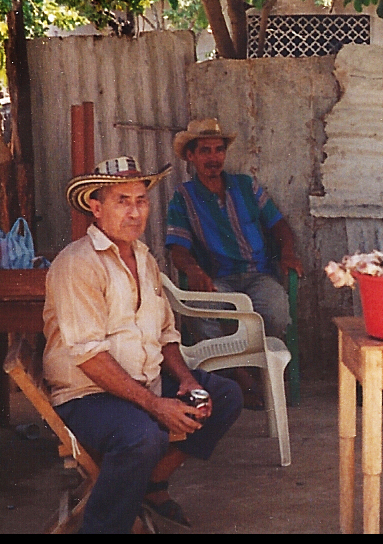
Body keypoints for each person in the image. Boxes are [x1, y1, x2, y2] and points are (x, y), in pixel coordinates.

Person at [44, 156, 242, 533]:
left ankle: (151, 484)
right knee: (143, 435)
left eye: (141, 200)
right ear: (96, 208)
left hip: (142, 382)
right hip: (88, 395)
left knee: (224, 395)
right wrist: (155, 404)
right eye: (122, 201)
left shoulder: (144, 257)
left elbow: (165, 333)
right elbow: (89, 357)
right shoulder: (78, 264)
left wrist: (185, 380)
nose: (135, 212)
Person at [165, 119, 303, 403]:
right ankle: (240, 376)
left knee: (276, 310)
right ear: (190, 156)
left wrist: (287, 252)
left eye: (218, 150)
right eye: (205, 151)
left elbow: (279, 226)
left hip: (258, 275)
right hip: (219, 280)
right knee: (201, 313)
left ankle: (260, 370)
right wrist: (192, 269)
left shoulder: (246, 186)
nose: (213, 158)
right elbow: (176, 247)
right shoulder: (184, 197)